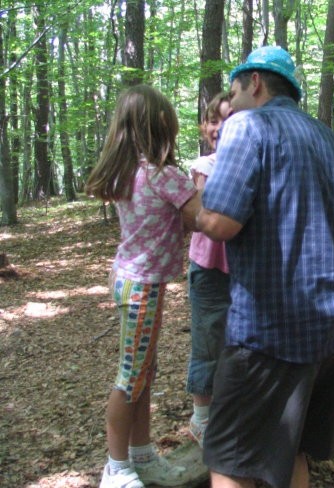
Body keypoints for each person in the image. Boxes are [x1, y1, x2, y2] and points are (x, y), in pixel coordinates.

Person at [195, 45, 334, 488]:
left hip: (269, 334)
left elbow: (219, 222)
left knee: (229, 460)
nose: (229, 104)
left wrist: (191, 208)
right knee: (290, 450)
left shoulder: (247, 126)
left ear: (255, 83)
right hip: (333, 328)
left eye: (233, 92)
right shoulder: (328, 136)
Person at [86, 84, 200, 488]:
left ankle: (141, 455)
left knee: (143, 374)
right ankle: (115, 468)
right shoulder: (163, 176)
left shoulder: (127, 173)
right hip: (143, 286)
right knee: (132, 377)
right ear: (159, 128)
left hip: (128, 279)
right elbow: (202, 218)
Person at [185, 92, 232, 448]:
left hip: (244, 269)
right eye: (213, 120)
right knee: (208, 340)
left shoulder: (249, 161)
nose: (218, 127)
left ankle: (230, 412)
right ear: (204, 127)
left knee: (238, 343)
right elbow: (200, 218)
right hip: (210, 268)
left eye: (227, 120)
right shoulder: (204, 166)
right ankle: (202, 418)